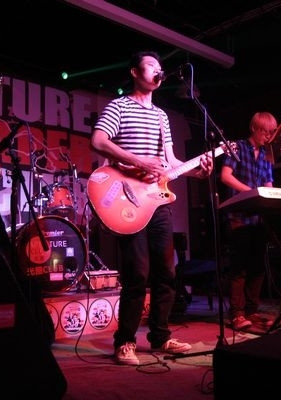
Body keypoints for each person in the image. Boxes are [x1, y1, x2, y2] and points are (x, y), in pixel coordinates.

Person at [90, 50, 213, 365]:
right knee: (137, 272)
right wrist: (139, 161)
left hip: (157, 201)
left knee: (166, 272)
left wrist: (198, 171)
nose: (158, 70)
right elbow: (99, 141)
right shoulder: (119, 106)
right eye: (150, 65)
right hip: (127, 197)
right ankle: (125, 341)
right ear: (134, 72)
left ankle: (160, 336)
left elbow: (170, 162)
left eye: (160, 67)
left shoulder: (161, 116)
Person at [219, 111, 278, 331]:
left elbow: (269, 185)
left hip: (257, 217)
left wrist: (271, 197)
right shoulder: (238, 147)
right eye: (265, 131)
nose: (268, 136)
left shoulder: (267, 155)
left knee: (257, 266)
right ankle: (237, 314)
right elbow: (225, 176)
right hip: (238, 215)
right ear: (254, 128)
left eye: (271, 133)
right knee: (239, 266)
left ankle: (252, 311)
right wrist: (251, 193)